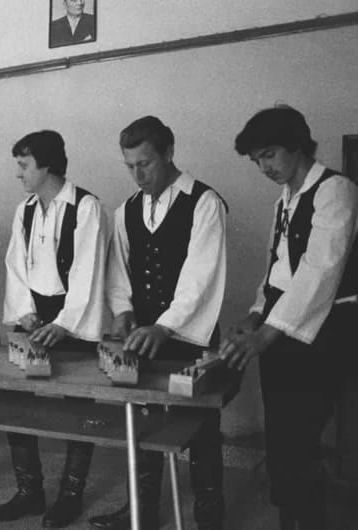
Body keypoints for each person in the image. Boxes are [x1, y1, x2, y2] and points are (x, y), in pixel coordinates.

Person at [221, 106, 358, 530]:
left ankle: (306, 517)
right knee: (281, 432)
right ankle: (291, 518)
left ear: (297, 145)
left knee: (301, 435)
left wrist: (265, 336)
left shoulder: (336, 190)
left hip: (326, 329)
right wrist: (255, 314)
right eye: (257, 159)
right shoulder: (285, 199)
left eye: (270, 155)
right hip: (281, 327)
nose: (264, 167)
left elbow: (319, 272)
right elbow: (278, 269)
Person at [89, 116, 228, 530]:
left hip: (189, 333)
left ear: (169, 153)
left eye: (145, 164)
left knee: (201, 426)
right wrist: (124, 313)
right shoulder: (127, 209)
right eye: (129, 166)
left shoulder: (204, 202)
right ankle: (141, 511)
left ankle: (209, 515)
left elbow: (201, 276)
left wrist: (165, 327)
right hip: (142, 336)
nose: (138, 175)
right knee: (141, 420)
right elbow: (119, 272)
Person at [0, 130, 109, 528]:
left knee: (78, 407)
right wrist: (24, 312)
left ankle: (71, 495)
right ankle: (29, 490)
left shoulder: (86, 207)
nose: (18, 173)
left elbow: (88, 271)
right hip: (34, 318)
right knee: (18, 401)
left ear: (46, 165)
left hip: (71, 319)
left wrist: (64, 324)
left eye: (24, 165)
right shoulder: (26, 208)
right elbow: (15, 265)